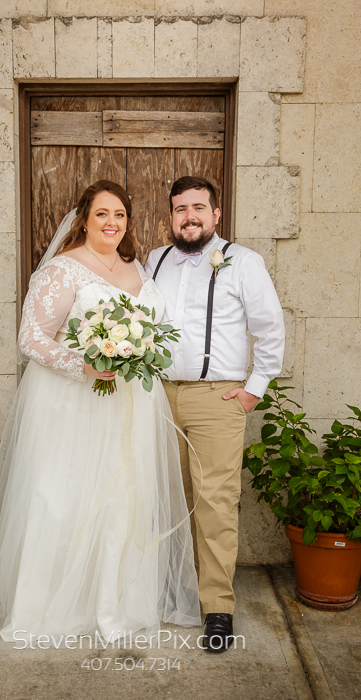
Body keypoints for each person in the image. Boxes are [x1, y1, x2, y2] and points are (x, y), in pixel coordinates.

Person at [0, 180, 201, 645]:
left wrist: (136, 352)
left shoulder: (133, 265)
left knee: (123, 499)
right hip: (73, 405)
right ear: (83, 219)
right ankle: (53, 604)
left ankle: (114, 603)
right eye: (102, 214)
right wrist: (87, 367)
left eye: (120, 215)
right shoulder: (64, 269)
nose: (112, 223)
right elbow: (31, 339)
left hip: (130, 403)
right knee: (65, 496)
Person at [145, 176, 285, 653]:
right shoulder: (154, 261)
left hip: (217, 398)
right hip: (158, 395)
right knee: (165, 497)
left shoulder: (243, 262)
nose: (190, 217)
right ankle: (172, 592)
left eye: (199, 207)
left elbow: (269, 328)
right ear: (170, 217)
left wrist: (253, 391)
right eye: (181, 209)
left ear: (216, 214)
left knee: (215, 502)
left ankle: (217, 609)